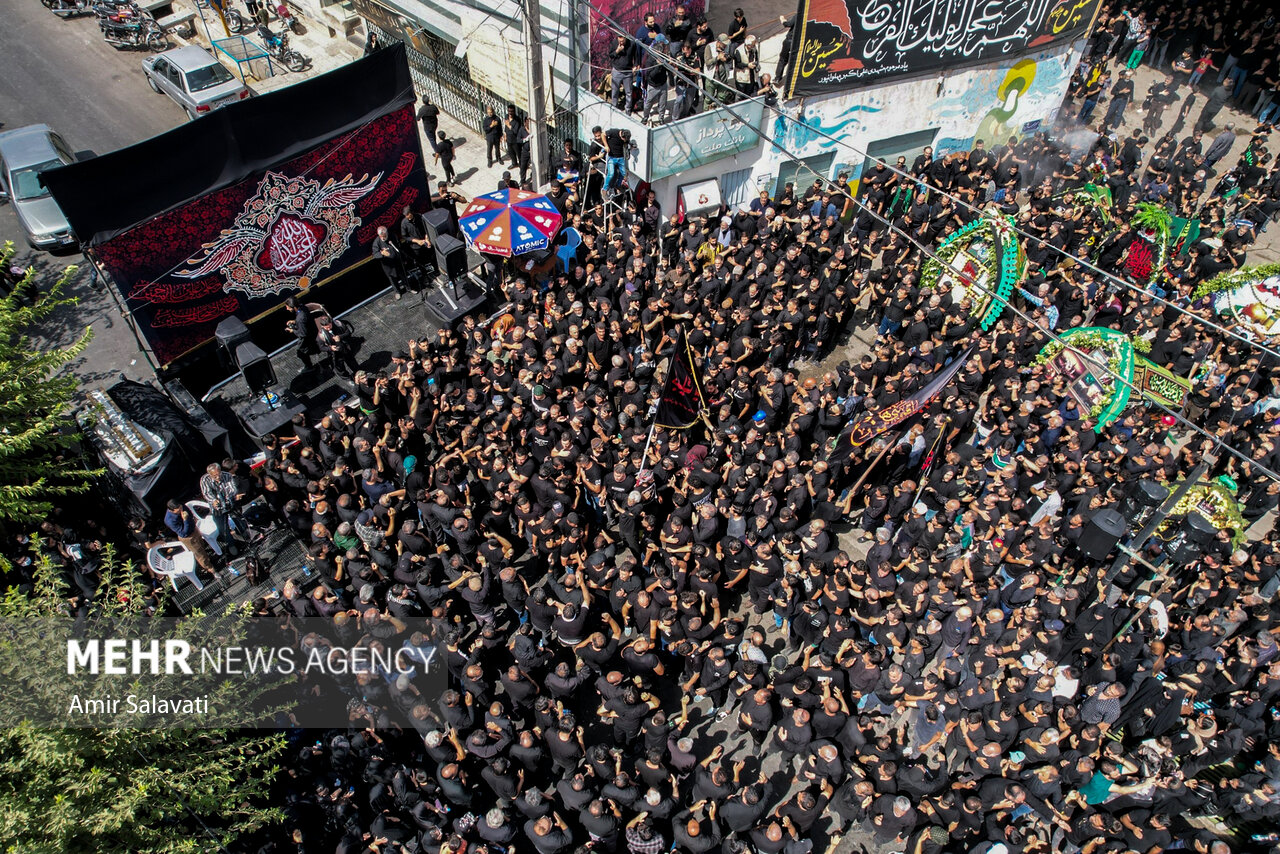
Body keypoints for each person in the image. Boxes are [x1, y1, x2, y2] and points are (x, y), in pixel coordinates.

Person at [163, 498, 220, 574]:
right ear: (172, 510)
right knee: (199, 553)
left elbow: (188, 511)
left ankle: (208, 560)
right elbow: (184, 533)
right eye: (178, 509)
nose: (181, 509)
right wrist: (185, 520)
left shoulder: (181, 506)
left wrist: (191, 520)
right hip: (188, 537)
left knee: (202, 545)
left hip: (194, 529)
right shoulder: (170, 520)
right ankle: (210, 569)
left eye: (181, 507)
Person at [372, 225, 404, 299]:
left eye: (384, 236)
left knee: (403, 275)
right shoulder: (377, 242)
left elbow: (398, 245)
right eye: (381, 236)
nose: (383, 238)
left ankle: (409, 288)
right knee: (393, 279)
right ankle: (397, 292)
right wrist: (382, 254)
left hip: (397, 261)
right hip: (388, 265)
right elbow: (375, 254)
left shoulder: (392, 236)